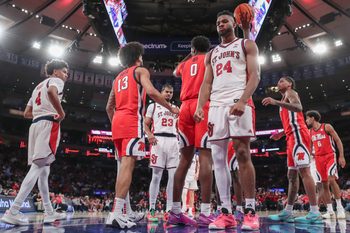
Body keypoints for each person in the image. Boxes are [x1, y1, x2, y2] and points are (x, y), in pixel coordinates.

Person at [194, 10, 260, 230]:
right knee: (218, 159)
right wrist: (200, 106)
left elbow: (256, 75)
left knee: (242, 152)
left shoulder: (246, 45)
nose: (220, 24)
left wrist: (243, 100)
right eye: (217, 22)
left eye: (224, 21)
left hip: (237, 100)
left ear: (234, 23)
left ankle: (250, 211)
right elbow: (206, 83)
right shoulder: (211, 54)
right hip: (216, 106)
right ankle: (226, 212)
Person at [105, 42, 179, 229]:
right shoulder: (140, 71)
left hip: (117, 123)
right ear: (138, 56)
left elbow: (108, 107)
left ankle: (121, 212)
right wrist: (170, 107)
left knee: (122, 168)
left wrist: (116, 122)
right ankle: (116, 213)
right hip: (131, 121)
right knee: (128, 167)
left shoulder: (118, 77)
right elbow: (152, 91)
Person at [1, 59, 68, 225]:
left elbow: (26, 113)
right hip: (48, 124)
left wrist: (42, 113)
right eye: (64, 71)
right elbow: (53, 92)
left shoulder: (37, 87)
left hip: (36, 125)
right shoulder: (56, 81)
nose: (66, 75)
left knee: (44, 172)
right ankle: (13, 210)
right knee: (38, 168)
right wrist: (60, 113)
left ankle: (49, 212)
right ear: (55, 72)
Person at [262, 76, 322, 224]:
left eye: (282, 81)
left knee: (304, 172)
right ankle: (287, 212)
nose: (279, 82)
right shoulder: (284, 99)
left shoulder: (291, 93)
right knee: (291, 175)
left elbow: (299, 108)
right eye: (278, 81)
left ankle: (315, 212)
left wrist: (275, 102)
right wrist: (281, 134)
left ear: (289, 84)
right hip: (290, 137)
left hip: (299, 136)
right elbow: (292, 119)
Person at [167, 35, 214, 227]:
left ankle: (175, 212)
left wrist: (191, 53)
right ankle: (204, 212)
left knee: (184, 161)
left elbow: (175, 72)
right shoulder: (209, 59)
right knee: (205, 158)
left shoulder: (185, 65)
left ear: (193, 49)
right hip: (203, 105)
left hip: (184, 107)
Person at [144, 84, 179, 222]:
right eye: (166, 92)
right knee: (156, 176)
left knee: (173, 177)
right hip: (158, 140)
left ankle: (169, 209)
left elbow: (180, 126)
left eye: (171, 92)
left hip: (173, 141)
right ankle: (152, 209)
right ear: (161, 92)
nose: (169, 94)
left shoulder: (177, 108)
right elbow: (145, 124)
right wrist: (149, 135)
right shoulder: (152, 106)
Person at [306, 110, 346, 219]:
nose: (306, 120)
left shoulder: (326, 127)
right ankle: (330, 211)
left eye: (307, 118)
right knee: (324, 185)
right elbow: (310, 148)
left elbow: (338, 140)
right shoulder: (309, 132)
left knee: (331, 180)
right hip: (318, 159)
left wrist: (341, 156)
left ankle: (340, 208)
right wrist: (308, 159)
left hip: (330, 156)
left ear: (313, 118)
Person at [181, 153, 199, 218]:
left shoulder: (196, 155)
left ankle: (190, 211)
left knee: (191, 194)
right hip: (185, 175)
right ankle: (184, 206)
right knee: (184, 192)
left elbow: (198, 165)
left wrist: (197, 173)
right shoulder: (184, 153)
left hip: (193, 176)